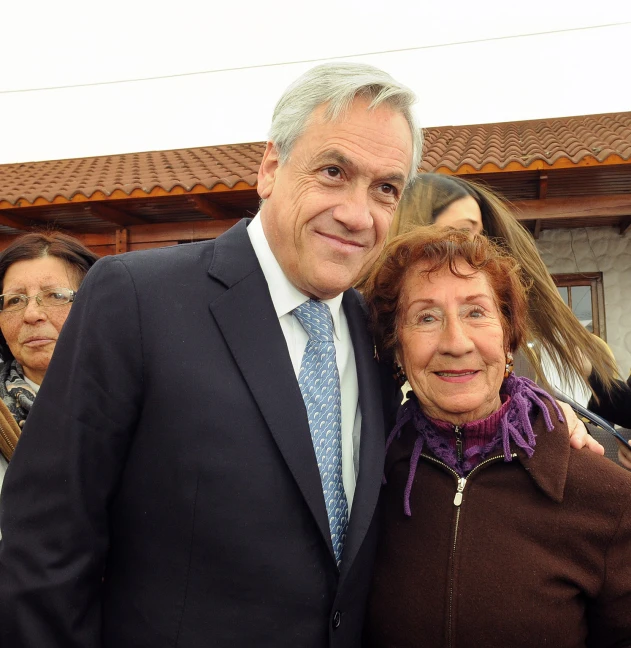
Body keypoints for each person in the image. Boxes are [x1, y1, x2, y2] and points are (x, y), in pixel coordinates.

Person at [0, 64, 594, 648]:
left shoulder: (376, 329)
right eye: (333, 172)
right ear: (270, 167)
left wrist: (537, 411)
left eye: (385, 188)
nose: (358, 214)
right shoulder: (136, 298)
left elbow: (451, 403)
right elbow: (44, 548)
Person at [362, 226, 631, 647]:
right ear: (397, 347)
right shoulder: (365, 483)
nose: (456, 342)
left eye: (475, 312)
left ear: (509, 336)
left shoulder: (609, 499)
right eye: (426, 317)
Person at [392, 172, 631, 465]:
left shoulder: (510, 342)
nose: (475, 249)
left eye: (480, 235)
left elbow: (609, 401)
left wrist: (543, 413)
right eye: (458, 233)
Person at [0, 232, 98, 497]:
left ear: (95, 306)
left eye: (56, 295)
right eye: (15, 300)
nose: (32, 314)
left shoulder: (138, 401)